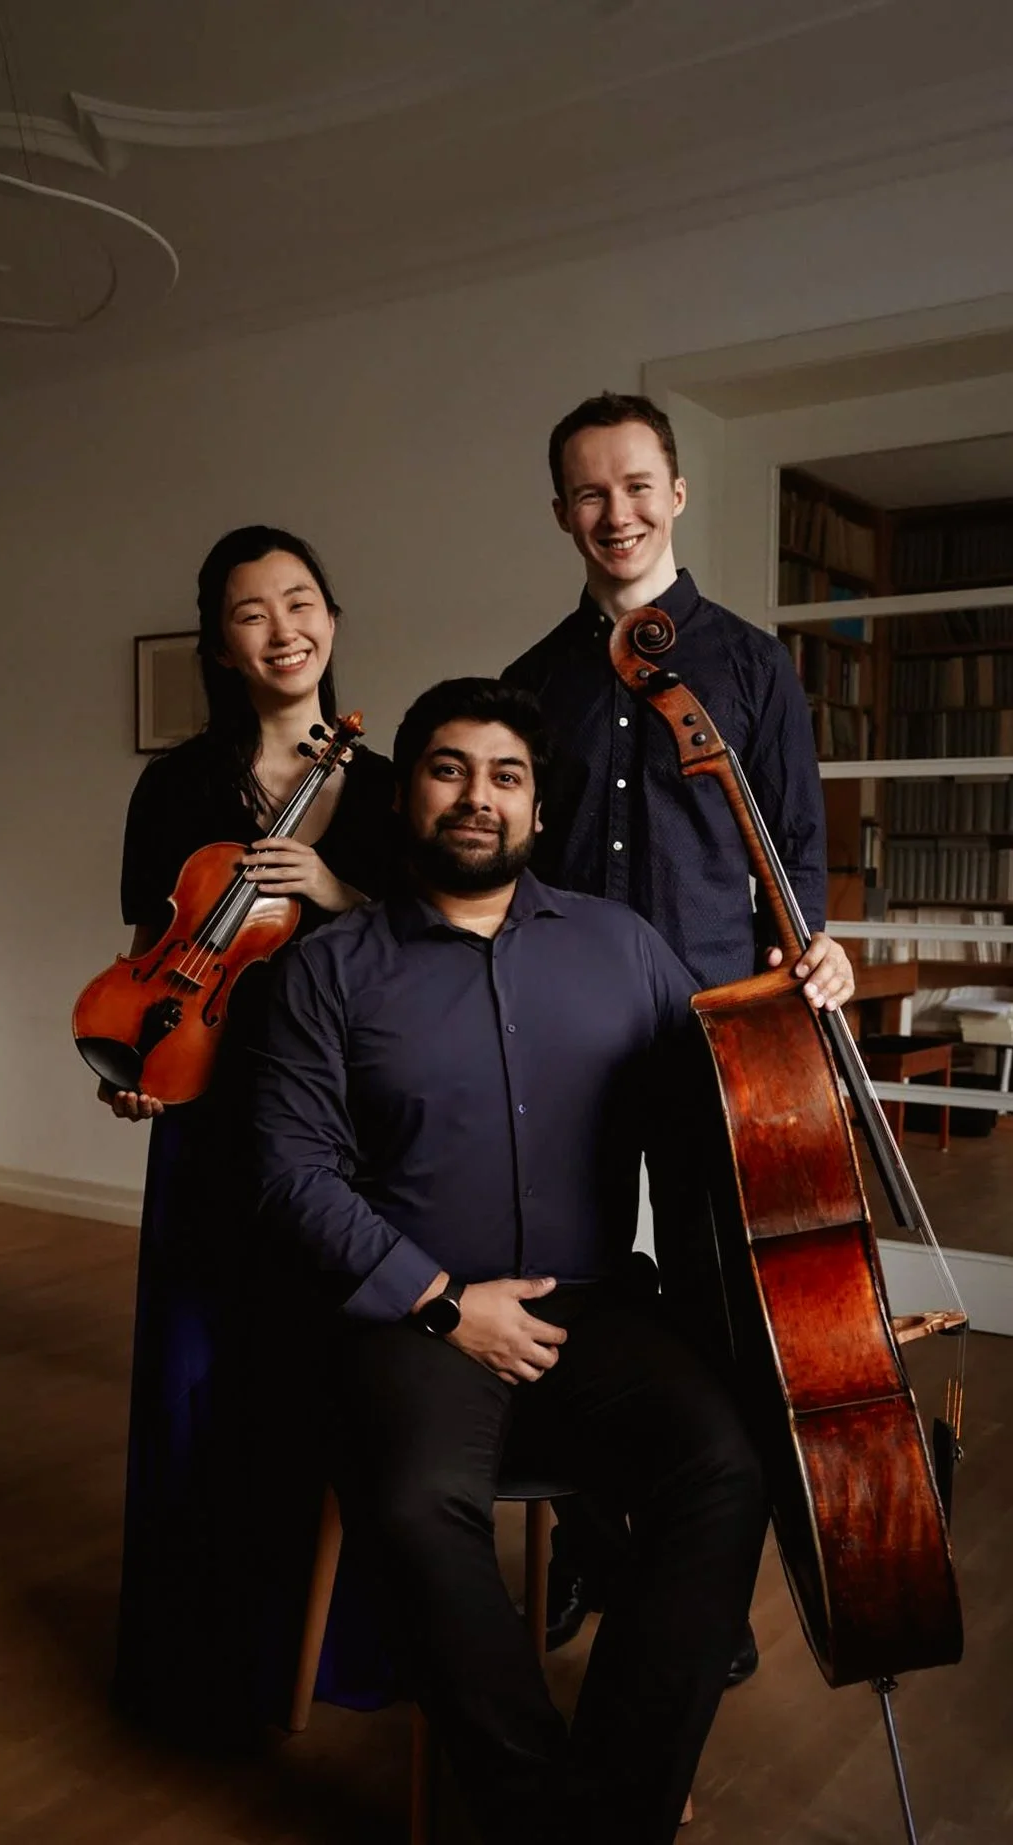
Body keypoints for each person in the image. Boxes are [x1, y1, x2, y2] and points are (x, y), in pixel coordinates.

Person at [254, 676, 768, 1845]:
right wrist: (441, 1305)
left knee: (725, 1466)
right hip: (415, 1317)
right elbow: (291, 1174)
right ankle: (539, 1813)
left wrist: (795, 1008)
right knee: (413, 1499)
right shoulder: (331, 969)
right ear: (405, 794)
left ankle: (618, 1807)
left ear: (538, 808)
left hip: (594, 1310)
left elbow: (723, 1107)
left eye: (505, 775)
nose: (476, 797)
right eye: (447, 768)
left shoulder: (623, 947)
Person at [502, 391, 856, 1658]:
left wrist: (813, 954)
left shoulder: (753, 665)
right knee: (562, 1296)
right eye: (590, 492)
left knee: (722, 1308)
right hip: (559, 1039)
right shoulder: (532, 683)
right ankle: (600, 1542)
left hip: (718, 1037)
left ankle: (704, 1586)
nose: (618, 511)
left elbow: (797, 862)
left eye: (638, 484)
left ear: (678, 493)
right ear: (561, 512)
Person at [105, 524, 396, 1743]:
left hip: (339, 1129)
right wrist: (136, 1064)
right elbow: (150, 954)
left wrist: (332, 891)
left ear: (333, 614)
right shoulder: (176, 786)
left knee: (331, 1389)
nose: (284, 630)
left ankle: (338, 1656)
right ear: (219, 643)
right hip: (210, 1117)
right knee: (194, 1384)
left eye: (300, 601)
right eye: (249, 612)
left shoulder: (383, 791)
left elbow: (426, 957)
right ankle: (195, 1663)